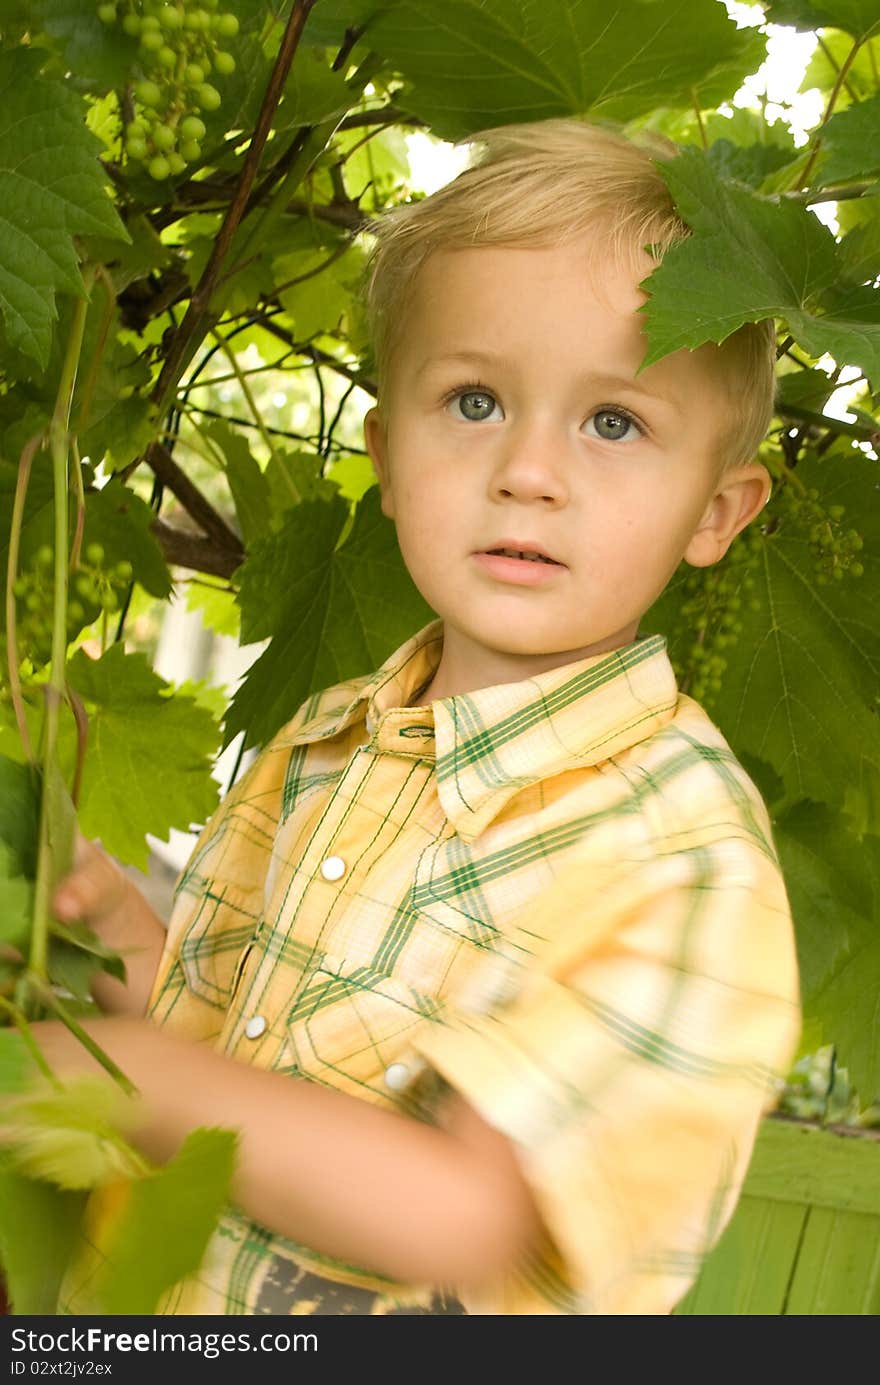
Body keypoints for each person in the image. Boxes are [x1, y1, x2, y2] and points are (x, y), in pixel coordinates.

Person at [37, 119, 800, 1316]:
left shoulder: (681, 857)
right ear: (388, 457)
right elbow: (232, 1049)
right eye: (476, 398)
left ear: (717, 509)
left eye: (614, 421)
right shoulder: (328, 736)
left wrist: (138, 1078)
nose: (528, 471)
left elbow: (458, 1215)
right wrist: (121, 946)